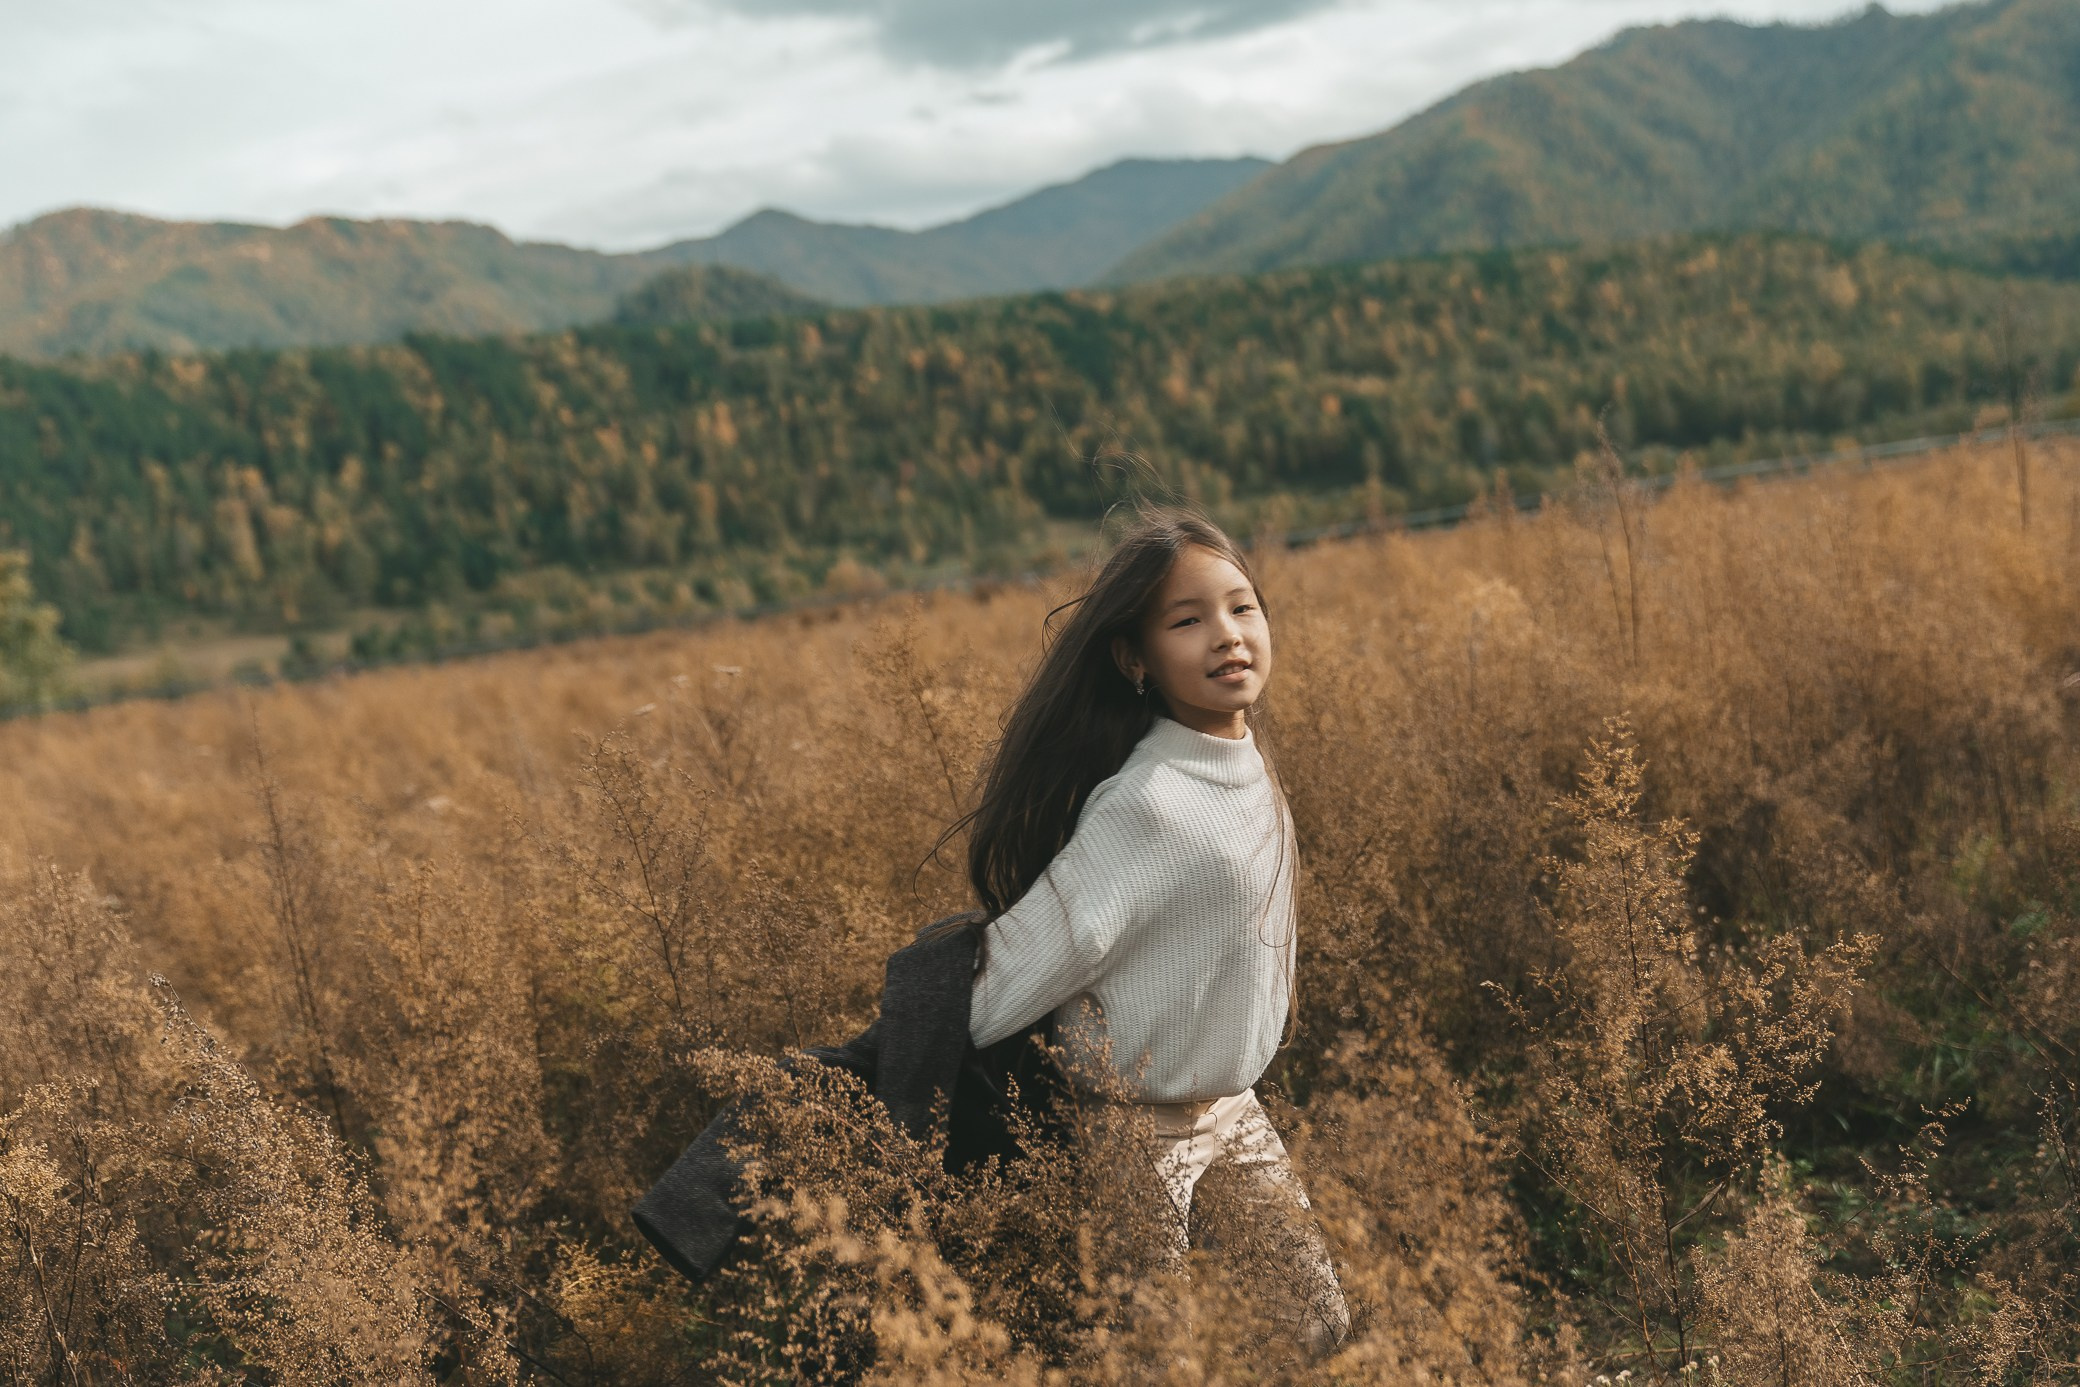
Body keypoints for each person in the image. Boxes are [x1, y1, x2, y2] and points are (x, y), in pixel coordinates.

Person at [949, 503, 1351, 1359]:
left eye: (1242, 607)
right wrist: (905, 1051)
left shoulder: (1243, 761)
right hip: (1137, 1129)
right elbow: (1024, 965)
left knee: (1312, 1330)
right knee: (1149, 1357)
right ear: (1136, 659)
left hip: (1235, 1106)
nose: (1227, 634)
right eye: (1187, 619)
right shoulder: (1145, 804)